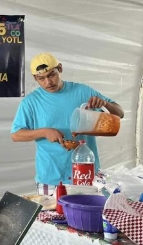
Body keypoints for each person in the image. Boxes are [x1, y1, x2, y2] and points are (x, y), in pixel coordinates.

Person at [11, 52, 124, 194]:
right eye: (41, 78)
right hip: (51, 178)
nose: (48, 82)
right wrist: (44, 132)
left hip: (87, 174)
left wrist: (105, 103)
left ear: (60, 68)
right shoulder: (31, 102)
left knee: (89, 215)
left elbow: (120, 113)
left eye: (52, 75)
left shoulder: (83, 91)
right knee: (52, 216)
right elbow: (16, 135)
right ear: (35, 78)